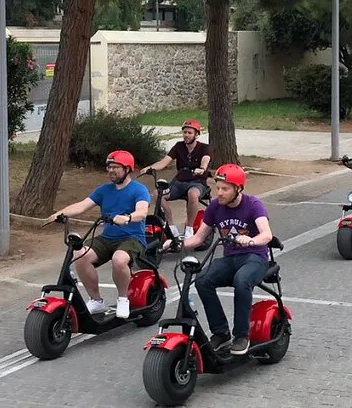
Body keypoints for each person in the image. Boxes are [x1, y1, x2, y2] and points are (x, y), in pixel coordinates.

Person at [165, 163, 273, 355]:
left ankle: (242, 336)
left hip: (255, 257)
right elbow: (199, 238)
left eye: (225, 189)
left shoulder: (253, 204)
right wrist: (175, 243)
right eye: (218, 188)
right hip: (231, 258)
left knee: (242, 281)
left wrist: (250, 240)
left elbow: (267, 235)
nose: (220, 193)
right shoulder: (215, 206)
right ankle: (221, 333)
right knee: (202, 280)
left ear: (238, 188)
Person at [46, 150, 150, 318]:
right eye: (109, 167)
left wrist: (128, 217)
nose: (111, 171)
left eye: (116, 167)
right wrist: (59, 214)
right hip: (107, 238)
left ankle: (123, 299)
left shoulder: (139, 190)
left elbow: (142, 211)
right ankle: (96, 301)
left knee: (119, 259)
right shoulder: (104, 190)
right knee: (80, 254)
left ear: (127, 169)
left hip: (132, 239)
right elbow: (82, 206)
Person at [140, 119, 211, 239]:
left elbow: (205, 159)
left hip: (197, 182)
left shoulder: (204, 147)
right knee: (157, 194)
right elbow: (164, 162)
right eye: (184, 132)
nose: (186, 135)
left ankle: (189, 229)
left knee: (193, 194)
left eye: (189, 133)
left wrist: (202, 168)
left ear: (196, 135)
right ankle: (171, 227)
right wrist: (149, 168)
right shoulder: (179, 146)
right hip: (179, 182)